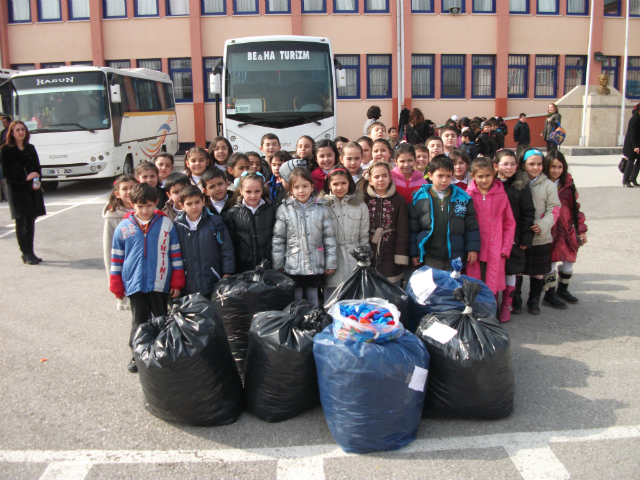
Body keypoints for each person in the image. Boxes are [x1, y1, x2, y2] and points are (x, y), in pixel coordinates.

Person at [109, 183, 184, 373]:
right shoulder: (124, 227)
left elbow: (175, 254)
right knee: (139, 321)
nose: (144, 210)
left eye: (149, 206)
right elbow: (116, 258)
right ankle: (136, 355)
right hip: (135, 284)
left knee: (161, 318)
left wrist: (176, 281)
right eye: (140, 206)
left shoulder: (166, 224)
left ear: (156, 203)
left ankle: (162, 352)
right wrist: (116, 284)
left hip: (160, 281)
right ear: (132, 204)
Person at [272, 167, 337, 306]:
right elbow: (279, 239)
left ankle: (315, 321)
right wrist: (279, 264)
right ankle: (298, 321)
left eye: (305, 186)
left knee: (313, 294)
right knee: (297, 295)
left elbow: (329, 238)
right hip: (293, 262)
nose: (301, 191)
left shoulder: (322, 208)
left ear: (312, 187)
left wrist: (330, 262)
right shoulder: (284, 209)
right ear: (291, 190)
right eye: (296, 187)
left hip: (315, 260)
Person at [408, 155, 480, 271]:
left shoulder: (462, 198)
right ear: (430, 175)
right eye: (440, 176)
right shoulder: (419, 198)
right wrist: (414, 252)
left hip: (455, 256)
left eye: (448, 176)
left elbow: (471, 225)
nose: (444, 180)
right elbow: (413, 229)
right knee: (434, 287)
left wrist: (472, 248)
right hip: (431, 256)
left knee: (453, 287)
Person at [465, 157, 516, 300]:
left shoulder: (501, 195)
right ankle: (475, 310)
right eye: (480, 176)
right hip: (475, 247)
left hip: (495, 248)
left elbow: (509, 223)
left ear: (494, 174)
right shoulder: (468, 196)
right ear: (473, 176)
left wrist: (505, 248)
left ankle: (492, 310)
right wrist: (468, 247)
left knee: (493, 280)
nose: (484, 180)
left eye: (487, 176)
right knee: (474, 281)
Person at [519, 148, 561, 314]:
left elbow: (554, 208)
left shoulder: (548, 185)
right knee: (519, 269)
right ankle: (516, 298)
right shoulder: (517, 182)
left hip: (540, 235)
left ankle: (534, 299)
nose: (535, 167)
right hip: (521, 234)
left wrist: (543, 224)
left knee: (537, 272)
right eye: (531, 164)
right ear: (523, 165)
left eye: (539, 164)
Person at [495, 149, 535, 321]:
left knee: (511, 270)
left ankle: (507, 305)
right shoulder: (490, 182)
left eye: (512, 164)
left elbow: (528, 212)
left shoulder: (521, 185)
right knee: (495, 270)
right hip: (494, 235)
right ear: (496, 166)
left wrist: (526, 237)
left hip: (514, 235)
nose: (509, 167)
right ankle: (493, 304)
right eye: (505, 164)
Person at [174, 185, 235, 296]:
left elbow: (226, 249)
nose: (194, 207)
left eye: (197, 202)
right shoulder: (177, 227)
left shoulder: (216, 223)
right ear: (182, 206)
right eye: (189, 204)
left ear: (203, 201)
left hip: (214, 283)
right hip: (188, 287)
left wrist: (227, 273)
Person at [0, 121, 46, 265]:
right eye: (17, 130)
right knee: (21, 221)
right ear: (12, 133)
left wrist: (37, 181)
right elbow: (6, 172)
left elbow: (37, 168)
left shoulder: (30, 148)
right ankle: (25, 252)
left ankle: (31, 252)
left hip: (32, 189)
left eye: (23, 130)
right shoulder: (6, 150)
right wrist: (25, 177)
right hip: (17, 190)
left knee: (31, 221)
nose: (21, 132)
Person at [545, 151, 588, 305]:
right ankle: (549, 295)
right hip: (549, 230)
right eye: (553, 167)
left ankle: (563, 289)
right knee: (550, 262)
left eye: (560, 167)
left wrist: (581, 229)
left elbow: (575, 208)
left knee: (568, 261)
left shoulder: (568, 185)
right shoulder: (542, 183)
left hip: (567, 229)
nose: (556, 170)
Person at [321, 166, 369, 299]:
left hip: (354, 258)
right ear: (329, 185)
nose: (340, 187)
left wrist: (364, 258)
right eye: (335, 184)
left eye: (343, 183)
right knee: (331, 300)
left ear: (349, 184)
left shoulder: (360, 205)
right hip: (331, 259)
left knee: (355, 300)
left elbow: (364, 235)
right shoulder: (322, 206)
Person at [363, 162, 409, 284]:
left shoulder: (399, 200)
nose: (381, 179)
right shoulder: (364, 199)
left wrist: (401, 255)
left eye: (384, 175)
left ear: (390, 178)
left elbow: (403, 230)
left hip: (391, 248)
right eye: (376, 177)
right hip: (370, 247)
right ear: (370, 180)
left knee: (391, 286)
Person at [224, 171, 276, 274]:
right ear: (241, 191)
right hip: (242, 267)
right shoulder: (233, 213)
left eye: (257, 191)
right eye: (248, 191)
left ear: (262, 190)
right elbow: (229, 244)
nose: (253, 195)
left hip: (268, 266)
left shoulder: (271, 210)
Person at [103, 174, 138, 310]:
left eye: (133, 187)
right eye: (124, 189)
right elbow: (108, 251)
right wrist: (112, 281)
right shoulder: (112, 217)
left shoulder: (148, 211)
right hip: (126, 273)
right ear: (117, 193)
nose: (129, 191)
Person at [622, 103, 640, 187]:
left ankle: (633, 178)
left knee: (638, 161)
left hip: (637, 144)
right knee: (631, 161)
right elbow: (633, 134)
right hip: (632, 145)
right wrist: (635, 146)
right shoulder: (635, 119)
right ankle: (626, 180)